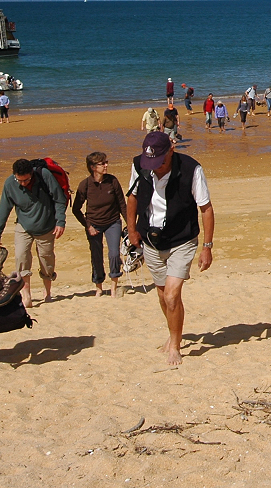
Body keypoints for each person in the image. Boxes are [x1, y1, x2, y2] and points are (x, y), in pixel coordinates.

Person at [126, 131, 215, 365]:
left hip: (182, 239)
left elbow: (206, 208)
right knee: (163, 296)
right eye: (151, 162)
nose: (155, 167)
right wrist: (132, 229)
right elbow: (132, 198)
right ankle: (174, 333)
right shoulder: (139, 165)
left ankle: (175, 346)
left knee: (172, 295)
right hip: (152, 240)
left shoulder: (192, 169)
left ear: (171, 150)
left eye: (160, 161)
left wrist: (207, 246)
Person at [0, 159, 68, 307]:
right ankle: (26, 295)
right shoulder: (10, 184)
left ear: (32, 174)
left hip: (47, 227)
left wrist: (60, 222)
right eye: (19, 180)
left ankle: (47, 293)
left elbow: (59, 199)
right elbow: (3, 210)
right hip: (23, 226)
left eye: (26, 180)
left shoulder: (44, 176)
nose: (23, 183)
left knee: (47, 261)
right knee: (21, 257)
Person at [72, 151, 126, 297]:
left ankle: (114, 286)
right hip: (93, 224)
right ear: (93, 167)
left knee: (114, 253)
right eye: (103, 163)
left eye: (106, 162)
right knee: (96, 255)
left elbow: (122, 205)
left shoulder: (112, 181)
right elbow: (76, 209)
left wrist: (131, 226)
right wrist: (88, 226)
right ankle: (99, 286)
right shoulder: (85, 185)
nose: (106, 165)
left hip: (112, 222)